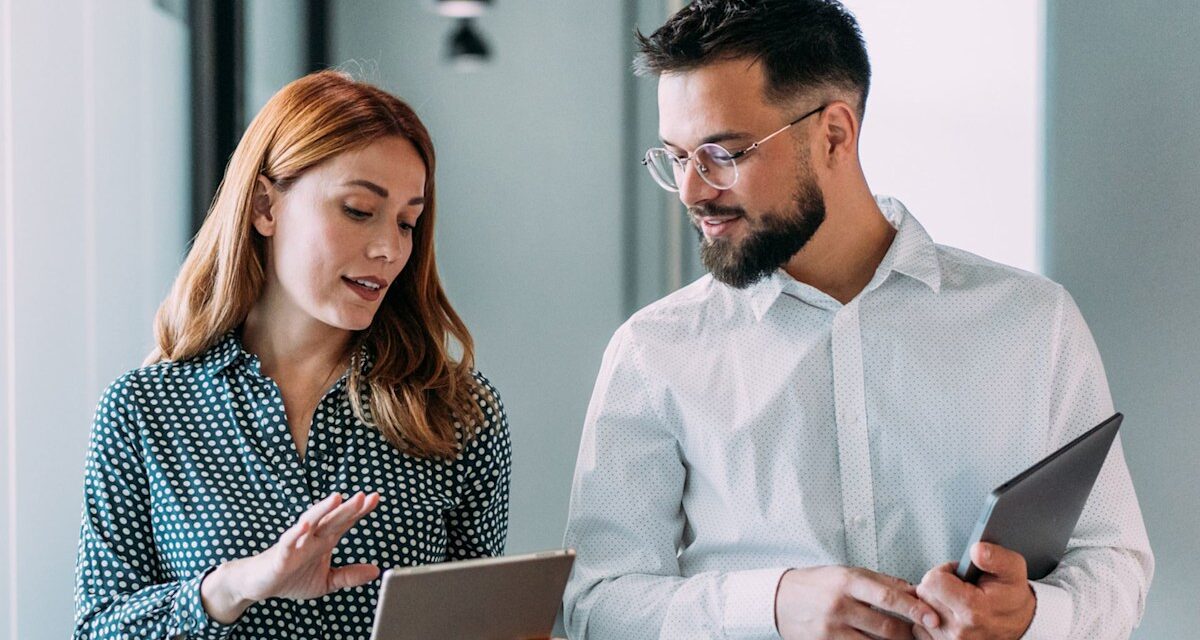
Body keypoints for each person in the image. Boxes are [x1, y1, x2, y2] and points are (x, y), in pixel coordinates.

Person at [561, 2, 1152, 639]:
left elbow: (1113, 561)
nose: (693, 190)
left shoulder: (1034, 323)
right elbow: (595, 606)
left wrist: (1033, 614)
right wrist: (775, 607)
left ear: (835, 135)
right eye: (677, 157)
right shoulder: (653, 352)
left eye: (721, 153)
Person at [73, 70, 511, 639]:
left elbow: (477, 627)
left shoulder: (457, 414)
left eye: (407, 222)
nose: (388, 248)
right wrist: (232, 586)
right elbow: (98, 629)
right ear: (264, 207)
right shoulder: (143, 410)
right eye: (358, 210)